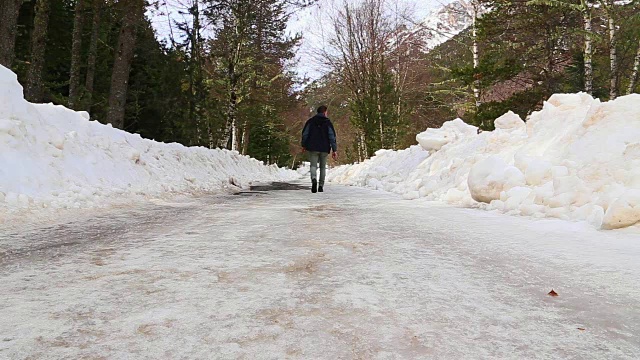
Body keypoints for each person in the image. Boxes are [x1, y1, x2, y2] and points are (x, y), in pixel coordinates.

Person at [301, 105, 338, 193]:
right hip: (324, 148)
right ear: (325, 112)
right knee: (322, 167)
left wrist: (304, 145)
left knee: (313, 166)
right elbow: (332, 137)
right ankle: (321, 186)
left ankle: (314, 179)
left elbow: (305, 134)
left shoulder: (310, 121)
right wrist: (334, 149)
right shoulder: (328, 122)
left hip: (313, 147)